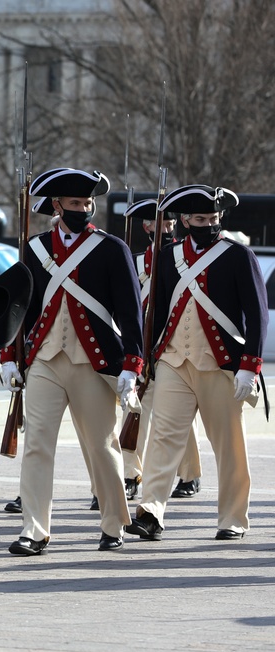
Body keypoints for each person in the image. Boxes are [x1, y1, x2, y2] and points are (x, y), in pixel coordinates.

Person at [2, 168, 143, 555]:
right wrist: (9, 354)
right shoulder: (34, 248)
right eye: (75, 203)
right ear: (58, 206)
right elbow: (20, 307)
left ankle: (114, 522)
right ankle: (34, 529)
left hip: (93, 362)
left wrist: (133, 364)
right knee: (37, 445)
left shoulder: (111, 248)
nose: (83, 208)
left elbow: (130, 313)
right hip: (45, 358)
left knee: (101, 446)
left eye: (87, 202)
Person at [126, 185, 267, 542]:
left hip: (220, 363)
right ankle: (151, 510)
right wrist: (145, 360)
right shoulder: (168, 256)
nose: (209, 225)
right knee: (163, 438)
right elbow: (156, 312)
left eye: (214, 218)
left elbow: (256, 313)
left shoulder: (237, 255)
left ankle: (233, 517)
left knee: (229, 443)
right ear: (185, 219)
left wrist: (250, 366)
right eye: (201, 218)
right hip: (174, 359)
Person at [121, 199, 202, 501]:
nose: (165, 228)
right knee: (133, 412)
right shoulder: (136, 261)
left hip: (171, 347)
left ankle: (190, 473)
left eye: (170, 224)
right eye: (159, 224)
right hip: (141, 348)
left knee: (179, 417)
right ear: (146, 226)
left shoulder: (183, 259)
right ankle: (130, 475)